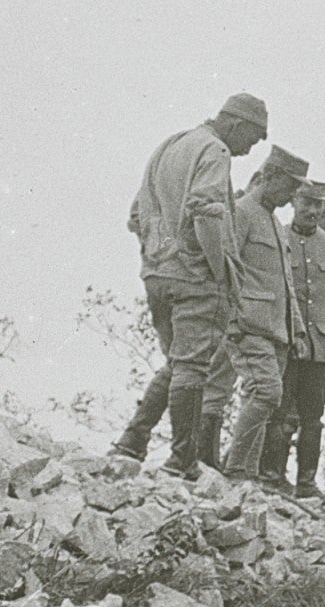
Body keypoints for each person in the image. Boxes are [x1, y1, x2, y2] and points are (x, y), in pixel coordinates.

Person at [111, 94, 267, 478]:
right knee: (193, 368)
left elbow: (136, 216)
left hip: (157, 274)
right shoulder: (215, 151)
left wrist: (158, 254)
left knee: (178, 363)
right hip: (195, 278)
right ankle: (182, 461)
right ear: (236, 124)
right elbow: (207, 213)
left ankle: (133, 440)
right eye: (252, 138)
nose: (248, 150)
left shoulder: (172, 144)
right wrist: (220, 271)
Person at [203, 145, 308, 480]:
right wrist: (231, 319)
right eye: (290, 187)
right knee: (266, 392)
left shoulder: (276, 223)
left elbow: (286, 283)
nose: (292, 197)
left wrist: (298, 330)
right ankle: (235, 470)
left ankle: (246, 473)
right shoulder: (243, 211)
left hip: (275, 329)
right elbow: (224, 267)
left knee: (262, 397)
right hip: (248, 323)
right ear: (271, 175)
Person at [266, 180, 325, 496]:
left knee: (313, 418)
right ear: (294, 203)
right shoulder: (279, 237)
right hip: (287, 343)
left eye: (318, 205)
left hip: (322, 349)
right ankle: (273, 476)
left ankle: (306, 482)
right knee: (280, 411)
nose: (312, 211)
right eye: (307, 203)